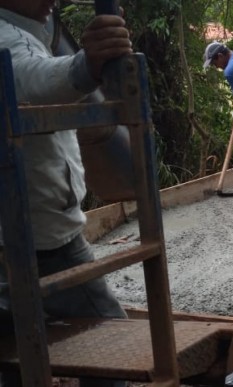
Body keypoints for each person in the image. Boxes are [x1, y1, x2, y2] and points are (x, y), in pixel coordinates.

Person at [0, 1, 133, 386]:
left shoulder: (29, 33)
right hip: (43, 240)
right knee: (113, 341)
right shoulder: (8, 37)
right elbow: (33, 79)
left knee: (17, 345)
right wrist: (88, 63)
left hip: (26, 231)